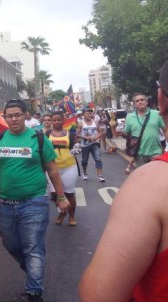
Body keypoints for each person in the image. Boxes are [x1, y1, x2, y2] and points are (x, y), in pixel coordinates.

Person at [79, 60, 168, 301]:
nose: (140, 103)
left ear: (158, 99)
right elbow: (122, 134)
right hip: (143, 155)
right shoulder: (130, 119)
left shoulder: (151, 185)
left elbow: (98, 294)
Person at [0, 100, 70, 302]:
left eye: (17, 115)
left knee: (33, 247)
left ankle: (34, 291)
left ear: (25, 115)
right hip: (6, 204)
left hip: (35, 202)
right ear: (4, 117)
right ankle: (33, 270)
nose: (13, 119)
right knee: (11, 244)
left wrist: (61, 196)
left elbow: (52, 170)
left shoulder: (38, 138)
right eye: (9, 115)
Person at [46, 111, 79, 226]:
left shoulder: (71, 133)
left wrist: (76, 148)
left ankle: (71, 216)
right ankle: (62, 212)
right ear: (51, 121)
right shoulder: (47, 134)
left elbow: (76, 146)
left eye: (59, 120)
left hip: (69, 166)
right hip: (52, 168)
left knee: (69, 194)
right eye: (54, 120)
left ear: (63, 120)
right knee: (55, 195)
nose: (56, 122)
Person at [123, 93, 167, 174]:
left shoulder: (157, 114)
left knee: (156, 175)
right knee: (143, 176)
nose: (140, 102)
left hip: (155, 151)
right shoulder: (130, 117)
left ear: (146, 102)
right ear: (134, 104)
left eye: (142, 100)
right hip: (139, 154)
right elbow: (126, 133)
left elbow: (165, 130)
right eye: (137, 101)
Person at [77, 108, 105, 182]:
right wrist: (85, 137)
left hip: (94, 144)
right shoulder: (81, 123)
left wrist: (96, 137)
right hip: (85, 145)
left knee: (98, 158)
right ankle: (85, 172)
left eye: (90, 113)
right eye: (87, 114)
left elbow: (100, 132)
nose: (89, 115)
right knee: (84, 161)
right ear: (83, 115)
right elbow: (77, 134)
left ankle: (100, 176)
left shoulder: (95, 122)